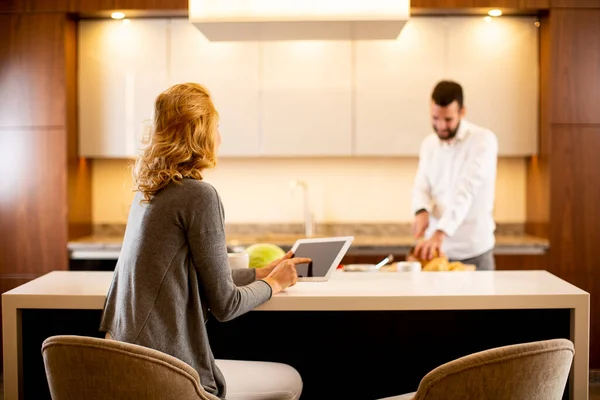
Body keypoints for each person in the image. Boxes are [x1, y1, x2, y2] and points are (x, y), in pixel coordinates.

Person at [99, 82, 311, 400]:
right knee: (291, 378)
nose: (220, 137)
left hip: (124, 362)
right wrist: (276, 285)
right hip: (167, 375)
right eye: (216, 127)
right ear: (201, 133)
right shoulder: (199, 195)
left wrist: (260, 273)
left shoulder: (147, 193)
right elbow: (226, 305)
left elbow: (191, 278)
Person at [411, 80, 498, 271]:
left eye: (448, 120)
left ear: (462, 112)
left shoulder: (482, 141)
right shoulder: (429, 144)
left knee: (479, 302)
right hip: (436, 251)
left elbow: (466, 191)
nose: (441, 126)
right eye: (435, 118)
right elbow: (421, 185)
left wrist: (440, 233)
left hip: (473, 250)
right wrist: (421, 210)